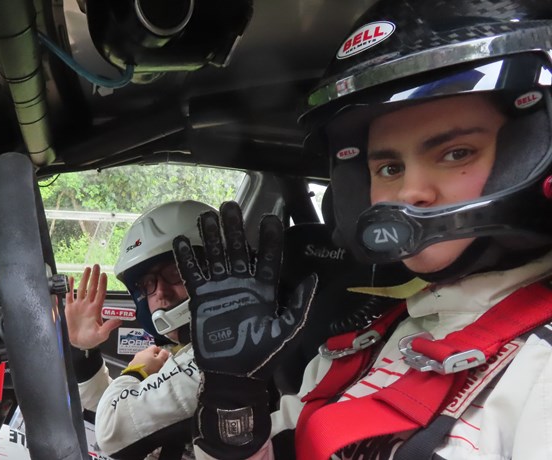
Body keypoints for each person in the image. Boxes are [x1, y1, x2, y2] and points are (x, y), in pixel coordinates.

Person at [176, 1, 552, 459]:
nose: (409, 192)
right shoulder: (361, 349)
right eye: (389, 167)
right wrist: (233, 395)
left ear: (529, 154)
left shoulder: (540, 373)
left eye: (456, 153)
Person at [67, 200, 215, 458]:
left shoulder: (217, 355)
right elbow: (114, 405)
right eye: (148, 283)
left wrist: (136, 372)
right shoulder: (187, 350)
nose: (160, 293)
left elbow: (112, 428)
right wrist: (84, 351)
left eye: (175, 272)